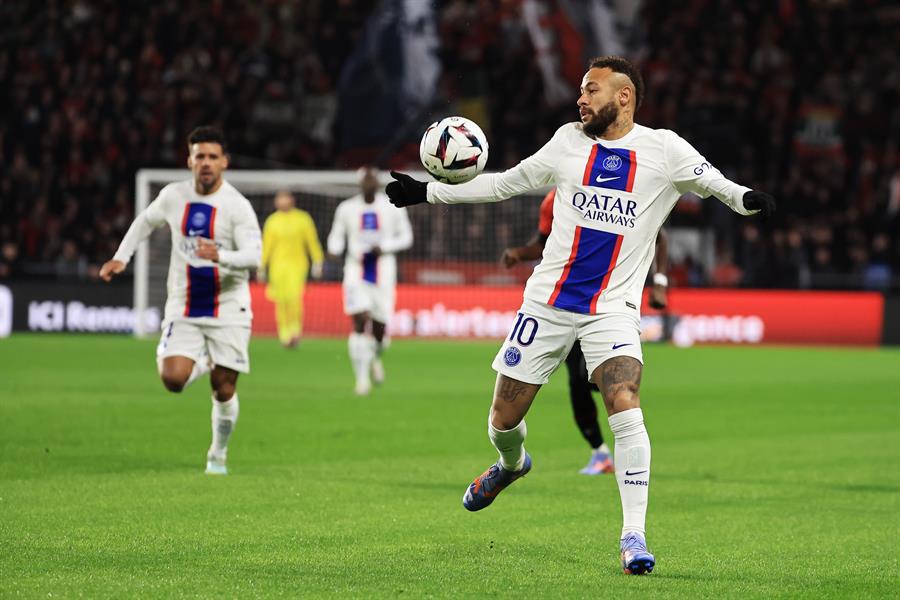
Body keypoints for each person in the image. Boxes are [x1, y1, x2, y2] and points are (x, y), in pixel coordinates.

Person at [386, 56, 775, 575]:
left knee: (624, 399)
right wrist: (425, 192)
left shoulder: (664, 149)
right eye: (581, 90)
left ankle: (633, 536)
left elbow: (719, 185)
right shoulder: (568, 141)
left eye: (591, 89)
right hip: (547, 303)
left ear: (624, 97)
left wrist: (748, 201)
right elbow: (506, 183)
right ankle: (510, 464)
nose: (581, 98)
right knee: (504, 420)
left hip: (612, 310)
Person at [99, 126, 262, 476]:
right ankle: (200, 361)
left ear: (225, 163)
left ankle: (217, 453)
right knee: (173, 380)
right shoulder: (174, 196)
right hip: (184, 305)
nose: (205, 163)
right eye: (199, 156)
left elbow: (255, 256)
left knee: (224, 388)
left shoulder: (237, 207)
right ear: (189, 160)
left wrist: (221, 255)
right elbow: (145, 222)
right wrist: (121, 257)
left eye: (212, 157)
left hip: (229, 307)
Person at [502, 189, 670, 475]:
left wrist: (660, 282)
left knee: (590, 378)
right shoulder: (552, 200)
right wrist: (519, 253)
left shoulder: (608, 193)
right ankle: (600, 453)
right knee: (577, 381)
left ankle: (616, 393)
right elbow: (543, 243)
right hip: (564, 302)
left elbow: (659, 235)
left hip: (607, 303)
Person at [326, 166, 414, 396]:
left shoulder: (392, 207)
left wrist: (383, 247)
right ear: (359, 183)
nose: (368, 183)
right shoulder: (346, 208)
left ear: (377, 182)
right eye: (365, 180)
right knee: (358, 321)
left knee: (379, 333)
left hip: (384, 273)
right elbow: (336, 236)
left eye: (372, 179)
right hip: (356, 271)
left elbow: (406, 237)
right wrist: (334, 249)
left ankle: (374, 357)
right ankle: (362, 381)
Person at [260, 191, 325, 348]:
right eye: (279, 198)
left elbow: (312, 241)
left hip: (297, 265)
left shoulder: (303, 218)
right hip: (277, 266)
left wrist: (318, 261)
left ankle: (295, 331)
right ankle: (284, 334)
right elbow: (266, 246)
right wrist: (261, 266)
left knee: (294, 298)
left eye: (284, 198)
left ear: (292, 200)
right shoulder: (272, 221)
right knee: (281, 300)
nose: (281, 201)